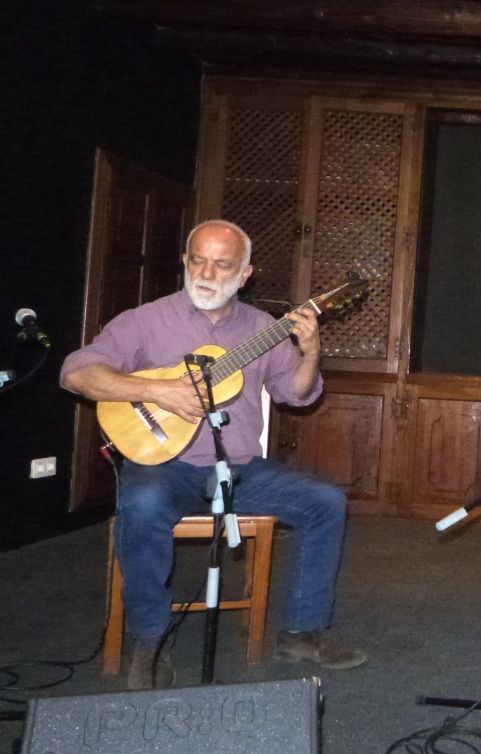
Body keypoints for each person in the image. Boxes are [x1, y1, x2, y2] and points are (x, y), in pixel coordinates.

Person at [62, 219, 365, 689]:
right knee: (139, 506)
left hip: (241, 469)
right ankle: (150, 639)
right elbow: (75, 373)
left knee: (327, 502)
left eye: (222, 264)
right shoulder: (145, 320)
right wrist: (156, 392)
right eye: (198, 259)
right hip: (164, 467)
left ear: (244, 274)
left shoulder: (265, 329)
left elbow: (298, 396)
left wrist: (310, 353)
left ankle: (303, 631)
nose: (207, 271)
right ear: (185, 262)